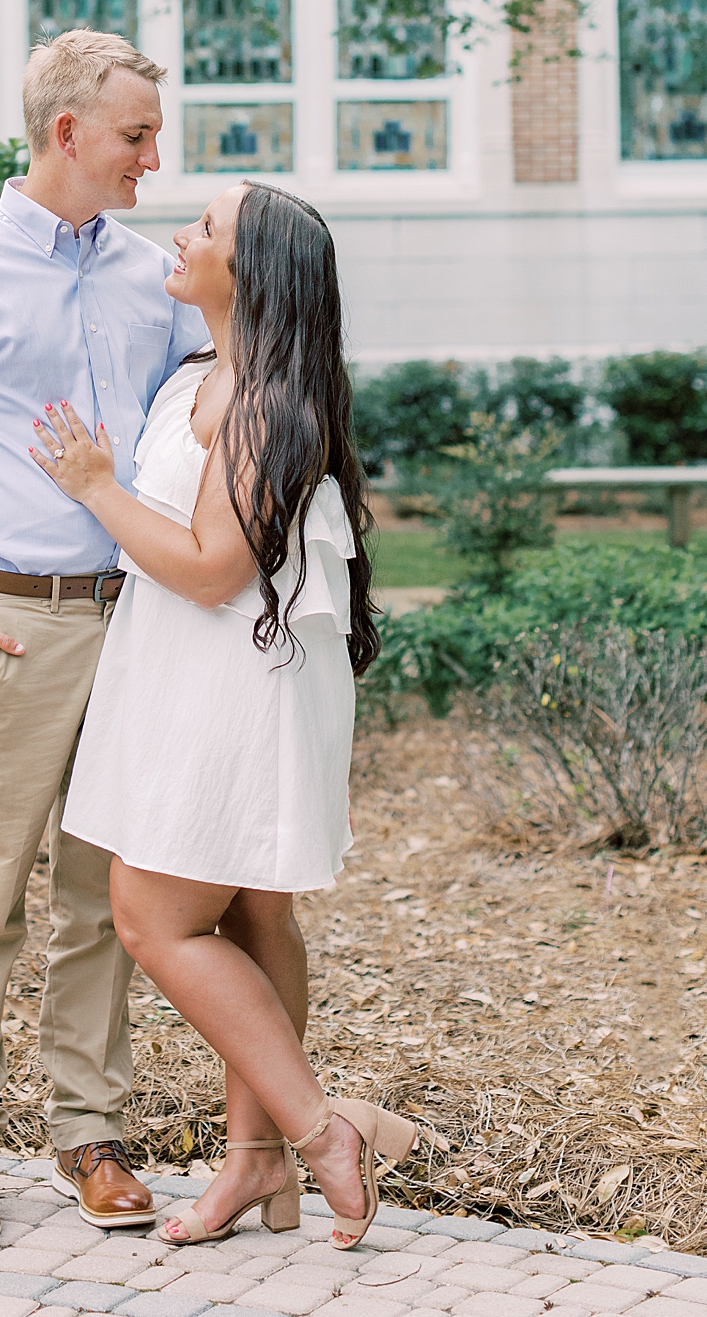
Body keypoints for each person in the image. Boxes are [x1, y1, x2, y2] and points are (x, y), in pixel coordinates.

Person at [0, 28, 211, 1241]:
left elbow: (195, 421)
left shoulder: (151, 277)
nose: (150, 160)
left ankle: (90, 1130)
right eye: (134, 136)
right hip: (4, 627)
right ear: (67, 133)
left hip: (136, 628)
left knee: (100, 895)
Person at [31, 180, 418, 1251]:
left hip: (234, 685)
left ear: (249, 276)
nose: (181, 234)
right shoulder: (209, 377)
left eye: (205, 229)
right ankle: (256, 1167)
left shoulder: (266, 407)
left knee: (153, 915)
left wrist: (97, 488)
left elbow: (210, 567)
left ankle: (320, 1131)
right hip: (195, 672)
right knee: (254, 916)